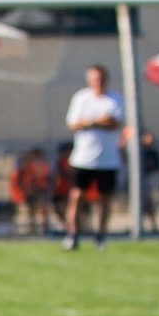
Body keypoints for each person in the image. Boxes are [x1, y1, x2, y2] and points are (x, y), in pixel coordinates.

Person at [63, 64, 123, 250]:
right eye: (94, 79)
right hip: (83, 158)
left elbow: (114, 123)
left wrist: (90, 122)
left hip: (107, 159)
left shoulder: (114, 99)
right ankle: (73, 235)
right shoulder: (81, 98)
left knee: (104, 198)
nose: (98, 82)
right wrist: (97, 121)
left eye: (101, 78)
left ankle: (100, 236)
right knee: (77, 196)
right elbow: (73, 124)